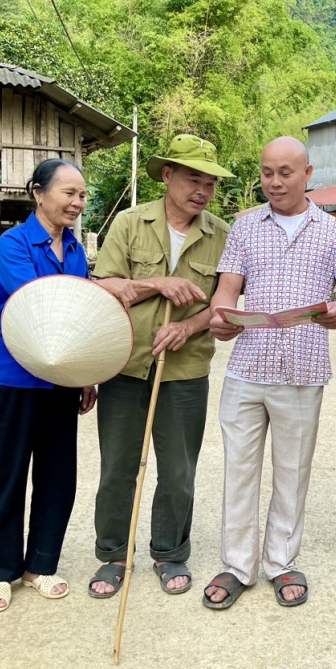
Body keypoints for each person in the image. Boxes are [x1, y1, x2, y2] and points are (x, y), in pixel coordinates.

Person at [201, 135, 336, 610]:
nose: (274, 182)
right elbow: (226, 291)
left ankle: (282, 562)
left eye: (285, 173)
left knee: (292, 473)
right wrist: (221, 318)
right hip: (247, 368)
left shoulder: (333, 233)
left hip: (302, 371)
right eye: (267, 172)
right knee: (240, 469)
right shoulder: (245, 229)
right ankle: (236, 565)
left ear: (308, 174)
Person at [87, 134, 234, 598]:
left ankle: (170, 553)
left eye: (210, 184)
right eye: (194, 179)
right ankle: (113, 554)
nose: (203, 191)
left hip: (186, 370)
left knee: (177, 470)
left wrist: (188, 329)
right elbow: (104, 286)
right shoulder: (130, 224)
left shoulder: (223, 234)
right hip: (126, 364)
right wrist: (158, 283)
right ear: (167, 175)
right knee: (118, 468)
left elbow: (223, 306)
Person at [0, 159, 98, 613]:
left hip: (60, 378)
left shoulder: (77, 250)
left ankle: (40, 566)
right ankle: (2, 573)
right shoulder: (13, 244)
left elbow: (80, 316)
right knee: (7, 474)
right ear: (38, 193)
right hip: (12, 374)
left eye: (82, 195)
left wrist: (86, 375)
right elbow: (42, 305)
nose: (77, 202)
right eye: (69, 192)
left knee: (57, 474)